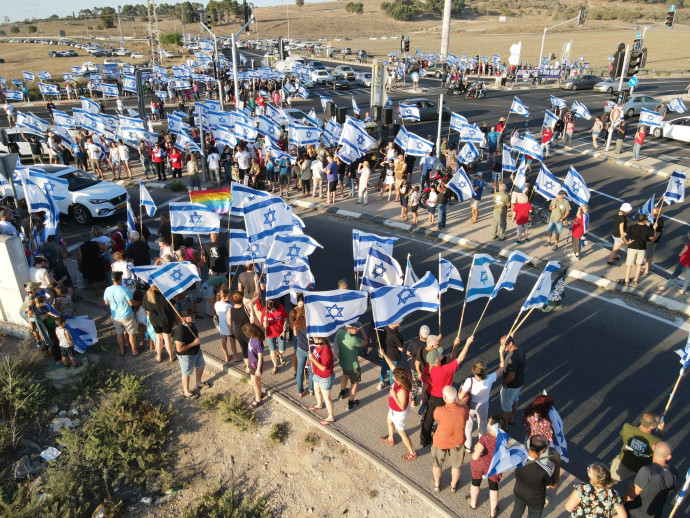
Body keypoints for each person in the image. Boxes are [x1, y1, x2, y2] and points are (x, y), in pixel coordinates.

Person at [420, 336, 474, 448]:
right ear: (437, 359)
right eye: (439, 355)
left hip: (431, 396)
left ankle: (424, 439)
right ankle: (443, 436)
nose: (441, 355)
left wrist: (423, 396)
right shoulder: (445, 369)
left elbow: (425, 384)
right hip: (443, 398)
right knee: (444, 418)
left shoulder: (428, 368)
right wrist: (467, 343)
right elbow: (459, 359)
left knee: (428, 419)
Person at [459, 343, 506, 453]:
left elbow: (461, 396)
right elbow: (502, 368)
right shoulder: (489, 378)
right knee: (483, 425)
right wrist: (501, 353)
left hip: (470, 405)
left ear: (474, 371)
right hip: (484, 404)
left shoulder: (469, 381)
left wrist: (461, 390)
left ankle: (468, 446)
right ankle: (481, 446)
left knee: (468, 425)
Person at [511, 435, 561, 518]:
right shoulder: (545, 470)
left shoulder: (519, 459)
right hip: (535, 502)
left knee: (516, 513)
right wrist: (558, 462)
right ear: (542, 451)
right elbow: (554, 485)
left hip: (519, 492)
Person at [623, 441, 676, 518]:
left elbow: (634, 492)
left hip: (636, 512)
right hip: (656, 513)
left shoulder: (646, 471)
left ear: (653, 448)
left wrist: (621, 500)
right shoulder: (673, 472)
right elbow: (670, 490)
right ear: (668, 457)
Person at [431, 385, 469, 491]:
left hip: (441, 441)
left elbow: (435, 417)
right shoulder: (464, 409)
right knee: (456, 466)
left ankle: (437, 485)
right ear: (456, 397)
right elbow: (466, 416)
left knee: (437, 464)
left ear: (444, 397)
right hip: (458, 441)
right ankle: (453, 486)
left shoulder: (439, 410)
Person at [469, 415, 508, 518]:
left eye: (489, 421)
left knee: (475, 483)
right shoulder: (504, 439)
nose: (487, 422)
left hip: (479, 465)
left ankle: (473, 503)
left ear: (492, 426)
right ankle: (493, 513)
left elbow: (476, 456)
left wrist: (475, 449)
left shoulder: (485, 438)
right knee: (494, 488)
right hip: (494, 467)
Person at [610, 412, 663, 482]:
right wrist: (660, 431)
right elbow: (658, 447)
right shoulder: (656, 441)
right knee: (635, 491)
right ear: (652, 427)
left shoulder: (627, 427)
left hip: (622, 463)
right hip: (639, 469)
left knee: (609, 481)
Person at [379, 363, 417, 460]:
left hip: (399, 413)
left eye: (394, 375)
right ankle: (391, 439)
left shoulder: (402, 391)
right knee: (389, 421)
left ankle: (412, 452)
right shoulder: (399, 381)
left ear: (398, 378)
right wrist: (384, 354)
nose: (392, 375)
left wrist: (394, 395)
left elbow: (402, 407)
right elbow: (392, 366)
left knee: (402, 433)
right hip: (393, 409)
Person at [174, 309, 209, 400]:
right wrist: (194, 343)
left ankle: (198, 383)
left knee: (201, 365)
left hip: (196, 351)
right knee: (186, 372)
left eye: (194, 315)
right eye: (192, 316)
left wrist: (196, 345)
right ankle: (186, 391)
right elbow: (179, 348)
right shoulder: (181, 330)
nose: (194, 317)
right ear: (185, 318)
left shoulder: (191, 324)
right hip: (186, 355)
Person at [103, 271, 139, 357]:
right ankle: (134, 350)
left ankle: (122, 350)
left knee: (119, 333)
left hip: (115, 316)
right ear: (120, 279)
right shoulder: (124, 289)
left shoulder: (107, 289)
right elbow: (131, 303)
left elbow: (106, 302)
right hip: (127, 314)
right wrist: (139, 302)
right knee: (131, 333)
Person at [336, 322, 368, 410]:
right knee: (355, 383)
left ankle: (342, 392)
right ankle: (350, 402)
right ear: (349, 328)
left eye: (358, 328)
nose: (357, 329)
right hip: (353, 366)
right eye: (355, 328)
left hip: (343, 361)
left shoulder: (339, 333)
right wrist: (362, 329)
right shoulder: (354, 340)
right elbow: (365, 341)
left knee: (344, 375)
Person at [308, 336, 336, 426]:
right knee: (316, 390)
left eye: (320, 343)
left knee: (327, 398)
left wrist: (312, 359)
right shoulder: (317, 346)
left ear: (324, 340)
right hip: (316, 374)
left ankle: (331, 417)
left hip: (325, 377)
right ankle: (319, 404)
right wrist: (310, 360)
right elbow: (316, 356)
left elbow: (323, 368)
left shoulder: (326, 350)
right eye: (316, 343)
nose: (318, 345)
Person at [619, 214, 654, 286]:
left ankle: (626, 280)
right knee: (639, 265)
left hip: (632, 247)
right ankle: (635, 280)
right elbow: (652, 239)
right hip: (641, 248)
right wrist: (652, 228)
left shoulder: (632, 227)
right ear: (644, 221)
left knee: (629, 265)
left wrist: (626, 242)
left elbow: (622, 235)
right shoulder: (647, 229)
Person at [291, 294, 313, 397]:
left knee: (299, 370)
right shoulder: (310, 323)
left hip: (300, 348)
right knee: (311, 371)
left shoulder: (296, 323)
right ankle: (312, 389)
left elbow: (295, 334)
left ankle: (300, 391)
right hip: (309, 350)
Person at [500, 335, 524, 427]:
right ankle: (512, 418)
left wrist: (505, 383)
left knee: (506, 407)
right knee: (515, 399)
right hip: (519, 382)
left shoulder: (511, 358)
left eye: (503, 345)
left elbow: (511, 375)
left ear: (510, 343)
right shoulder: (520, 348)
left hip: (511, 385)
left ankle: (505, 425)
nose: (502, 347)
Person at [262, 298, 289, 374]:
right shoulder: (265, 310)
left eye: (272, 310)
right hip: (270, 334)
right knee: (272, 351)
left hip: (280, 332)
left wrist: (284, 331)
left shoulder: (281, 307)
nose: (271, 311)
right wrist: (265, 321)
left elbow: (285, 319)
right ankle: (275, 366)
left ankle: (280, 355)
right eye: (270, 310)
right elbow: (265, 326)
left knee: (282, 350)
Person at [243, 323, 265, 408]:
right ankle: (260, 393)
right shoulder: (253, 339)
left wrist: (258, 369)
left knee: (254, 382)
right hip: (252, 363)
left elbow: (260, 357)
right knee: (257, 381)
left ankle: (258, 400)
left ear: (251, 334)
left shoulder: (258, 343)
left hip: (255, 365)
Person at [377, 321, 404, 389]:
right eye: (399, 321)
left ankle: (381, 382)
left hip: (385, 352)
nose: (400, 322)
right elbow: (401, 349)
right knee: (393, 371)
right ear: (394, 323)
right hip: (394, 355)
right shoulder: (396, 335)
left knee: (384, 367)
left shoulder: (383, 329)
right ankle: (392, 386)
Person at [644, 208, 663, 277]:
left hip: (652, 241)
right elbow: (653, 227)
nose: (652, 212)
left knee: (649, 255)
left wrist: (651, 241)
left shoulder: (659, 222)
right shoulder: (655, 219)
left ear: (658, 213)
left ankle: (647, 270)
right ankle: (646, 265)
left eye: (653, 211)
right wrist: (648, 223)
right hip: (650, 239)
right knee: (647, 254)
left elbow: (657, 234)